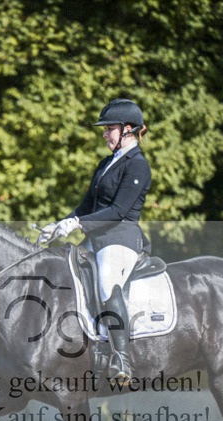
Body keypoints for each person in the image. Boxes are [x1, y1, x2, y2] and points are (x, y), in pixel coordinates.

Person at [39, 98, 152, 384]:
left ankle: (121, 357)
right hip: (95, 240)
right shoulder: (106, 163)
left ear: (128, 130)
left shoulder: (138, 166)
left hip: (121, 239)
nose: (104, 134)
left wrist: (77, 224)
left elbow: (117, 211)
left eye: (109, 129)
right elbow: (86, 205)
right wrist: (60, 224)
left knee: (106, 282)